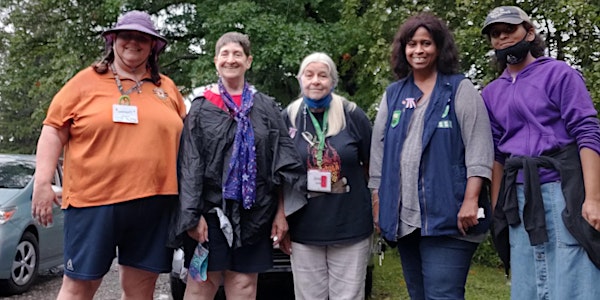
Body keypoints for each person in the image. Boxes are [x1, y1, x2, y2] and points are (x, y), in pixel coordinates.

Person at [31, 10, 186, 300]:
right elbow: (53, 130)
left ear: (153, 46)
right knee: (79, 287)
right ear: (113, 40)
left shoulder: (166, 87)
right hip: (94, 200)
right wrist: (42, 182)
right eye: (127, 35)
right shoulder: (85, 81)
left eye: (143, 38)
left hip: (155, 202)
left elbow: (187, 143)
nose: (134, 42)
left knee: (142, 289)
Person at [168, 31, 305, 300]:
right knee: (201, 285)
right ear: (216, 60)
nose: (231, 59)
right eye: (225, 54)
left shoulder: (265, 108)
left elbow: (279, 162)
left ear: (248, 61)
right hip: (209, 214)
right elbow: (189, 165)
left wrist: (281, 213)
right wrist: (192, 216)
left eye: (237, 54)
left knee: (244, 286)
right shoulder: (201, 108)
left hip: (255, 213)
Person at [369, 12, 494, 299]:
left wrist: (471, 199)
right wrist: (379, 203)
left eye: (426, 43)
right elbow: (379, 152)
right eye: (412, 44)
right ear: (403, 49)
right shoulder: (394, 94)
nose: (418, 50)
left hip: (449, 217)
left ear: (439, 47)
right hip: (405, 221)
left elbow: (479, 147)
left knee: (443, 294)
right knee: (419, 295)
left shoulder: (458, 88)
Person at [481, 6, 600, 299]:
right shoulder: (490, 93)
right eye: (496, 34)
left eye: (510, 30)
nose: (503, 37)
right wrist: (498, 208)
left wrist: (594, 199)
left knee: (573, 274)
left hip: (563, 188)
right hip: (518, 195)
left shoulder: (559, 74)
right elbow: (496, 155)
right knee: (528, 280)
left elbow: (587, 133)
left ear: (529, 32)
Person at [279, 52, 373, 299]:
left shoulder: (352, 114)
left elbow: (373, 165)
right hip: (304, 227)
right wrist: (281, 217)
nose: (316, 81)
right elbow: (279, 174)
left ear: (333, 81)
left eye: (323, 75)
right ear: (300, 79)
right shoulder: (288, 116)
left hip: (349, 225)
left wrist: (376, 207)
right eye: (309, 75)